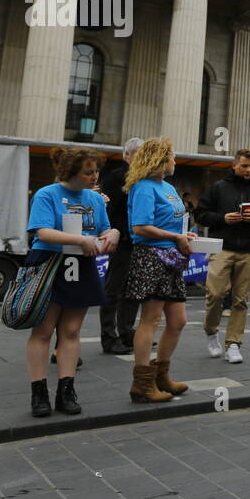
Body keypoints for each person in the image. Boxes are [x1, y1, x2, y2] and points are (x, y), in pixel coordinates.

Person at [22, 148, 118, 416]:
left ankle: (66, 391)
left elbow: (104, 228)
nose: (94, 176)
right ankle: (38, 393)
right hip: (50, 263)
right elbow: (41, 231)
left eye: (96, 170)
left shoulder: (95, 199)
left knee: (72, 331)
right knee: (43, 331)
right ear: (70, 171)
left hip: (81, 265)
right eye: (88, 172)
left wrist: (114, 233)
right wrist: (79, 239)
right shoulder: (47, 194)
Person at [123, 138, 194, 402]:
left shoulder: (169, 188)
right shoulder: (143, 188)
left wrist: (185, 235)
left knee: (178, 321)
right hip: (151, 256)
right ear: (160, 159)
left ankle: (161, 376)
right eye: (172, 157)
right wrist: (175, 238)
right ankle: (142, 384)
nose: (175, 161)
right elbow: (140, 227)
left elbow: (174, 225)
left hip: (172, 257)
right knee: (150, 320)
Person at [195, 149, 250, 364]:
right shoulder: (218, 188)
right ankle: (211, 331)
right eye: (244, 166)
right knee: (214, 294)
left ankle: (233, 343)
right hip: (222, 248)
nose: (249, 170)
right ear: (234, 165)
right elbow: (200, 214)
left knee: (241, 300)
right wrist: (223, 218)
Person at [98, 138, 143, 355]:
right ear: (127, 156)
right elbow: (110, 210)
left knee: (133, 290)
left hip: (138, 242)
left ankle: (126, 332)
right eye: (138, 154)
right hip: (122, 240)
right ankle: (109, 336)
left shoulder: (143, 179)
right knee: (114, 289)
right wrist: (119, 232)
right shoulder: (117, 177)